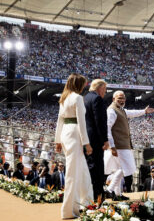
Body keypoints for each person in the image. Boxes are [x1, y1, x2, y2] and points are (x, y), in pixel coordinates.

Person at [55, 73, 94, 219]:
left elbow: (60, 120)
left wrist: (58, 140)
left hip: (66, 133)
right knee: (73, 173)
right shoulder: (77, 98)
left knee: (82, 170)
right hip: (75, 135)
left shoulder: (64, 98)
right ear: (79, 84)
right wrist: (86, 143)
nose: (85, 86)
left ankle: (87, 203)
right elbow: (81, 123)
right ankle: (69, 211)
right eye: (83, 84)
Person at [107, 90, 154, 193]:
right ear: (113, 99)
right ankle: (110, 189)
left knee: (121, 168)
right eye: (119, 98)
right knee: (129, 167)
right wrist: (112, 146)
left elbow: (132, 113)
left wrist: (144, 111)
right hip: (119, 145)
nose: (122, 100)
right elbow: (107, 129)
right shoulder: (111, 111)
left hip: (123, 145)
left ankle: (117, 194)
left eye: (123, 98)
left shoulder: (121, 110)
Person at [84, 79, 109, 201]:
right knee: (98, 166)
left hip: (86, 137)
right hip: (95, 138)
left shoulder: (85, 98)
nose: (105, 92)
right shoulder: (97, 99)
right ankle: (98, 195)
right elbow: (100, 121)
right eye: (104, 89)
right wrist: (105, 140)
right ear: (99, 88)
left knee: (90, 166)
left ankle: (92, 194)